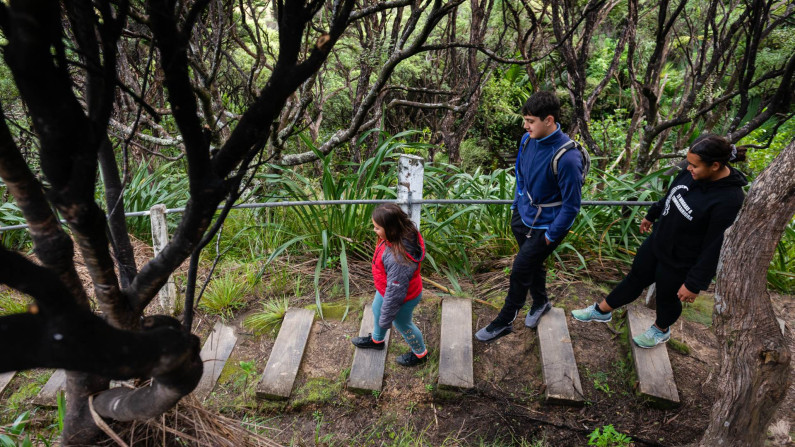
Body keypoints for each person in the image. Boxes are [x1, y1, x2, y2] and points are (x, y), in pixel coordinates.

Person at [571, 134, 747, 348]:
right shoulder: (693, 173)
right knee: (635, 278)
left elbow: (715, 245)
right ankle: (601, 311)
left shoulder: (730, 199)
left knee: (666, 296)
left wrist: (694, 283)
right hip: (659, 240)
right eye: (689, 164)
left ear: (715, 165)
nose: (689, 169)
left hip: (681, 259)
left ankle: (661, 330)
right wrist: (652, 214)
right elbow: (672, 194)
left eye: (694, 166)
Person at [475, 92, 585, 342]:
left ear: (549, 120)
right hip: (523, 217)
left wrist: (549, 236)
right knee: (531, 264)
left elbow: (571, 206)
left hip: (548, 225)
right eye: (525, 119)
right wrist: (516, 206)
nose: (525, 125)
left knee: (520, 270)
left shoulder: (567, 158)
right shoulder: (527, 140)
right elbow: (521, 174)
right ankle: (541, 302)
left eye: (530, 120)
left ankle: (504, 320)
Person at [351, 203, 428, 366]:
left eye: (377, 228)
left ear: (391, 229)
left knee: (403, 324)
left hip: (403, 296)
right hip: (388, 288)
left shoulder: (398, 259)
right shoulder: (400, 235)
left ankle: (420, 353)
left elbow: (396, 293)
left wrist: (387, 319)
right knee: (377, 310)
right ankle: (377, 341)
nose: (374, 231)